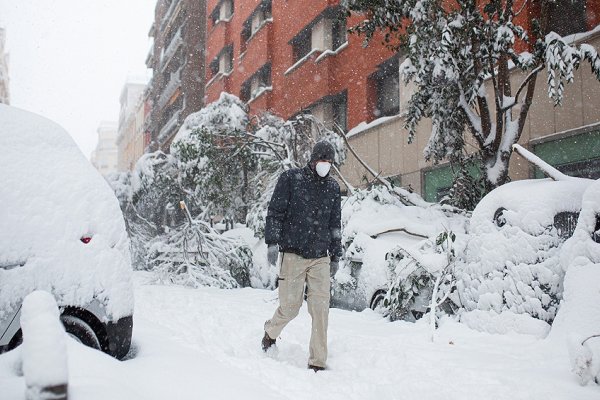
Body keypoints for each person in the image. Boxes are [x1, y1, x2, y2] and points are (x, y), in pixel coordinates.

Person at [261, 140, 342, 372]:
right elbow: (275, 212)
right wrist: (272, 242)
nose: (325, 165)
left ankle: (317, 362)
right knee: (290, 307)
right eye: (322, 161)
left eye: (329, 162)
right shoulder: (291, 179)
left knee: (320, 309)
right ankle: (270, 332)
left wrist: (335, 255)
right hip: (293, 253)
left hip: (320, 257)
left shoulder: (333, 188)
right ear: (313, 160)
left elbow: (335, 225)